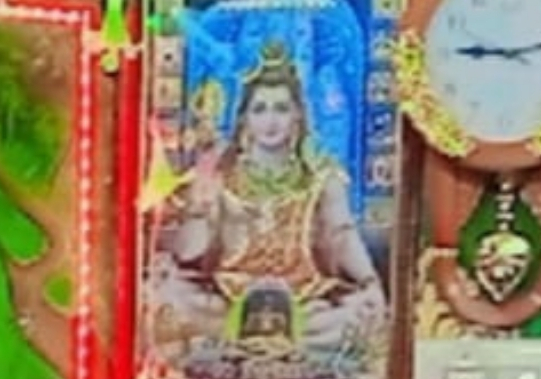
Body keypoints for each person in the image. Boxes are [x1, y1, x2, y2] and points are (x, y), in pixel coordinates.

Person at [154, 41, 385, 359]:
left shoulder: (322, 176)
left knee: (359, 313)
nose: (271, 121)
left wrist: (369, 281)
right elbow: (189, 254)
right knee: (170, 298)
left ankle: (254, 344)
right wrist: (198, 209)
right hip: (229, 300)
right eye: (260, 109)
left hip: (304, 302)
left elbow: (341, 234)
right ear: (245, 119)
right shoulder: (220, 174)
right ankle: (256, 342)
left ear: (297, 116)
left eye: (281, 109)